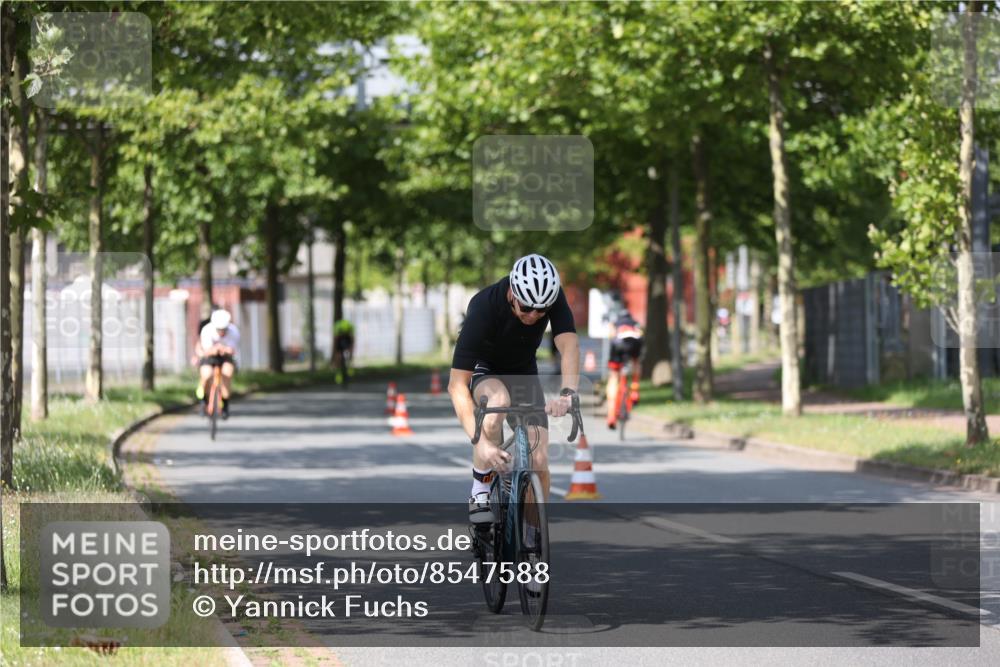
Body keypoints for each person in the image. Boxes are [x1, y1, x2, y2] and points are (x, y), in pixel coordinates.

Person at [448, 254, 580, 525]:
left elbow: (569, 346)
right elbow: (456, 385)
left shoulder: (552, 296)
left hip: (523, 372)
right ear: (512, 293)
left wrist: (568, 394)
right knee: (497, 402)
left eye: (541, 311)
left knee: (539, 461)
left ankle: (531, 537)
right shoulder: (484, 307)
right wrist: (481, 444)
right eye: (526, 307)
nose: (533, 316)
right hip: (486, 369)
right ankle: (481, 490)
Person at [197, 309, 240, 418]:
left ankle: (225, 403)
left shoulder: (234, 332)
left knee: (227, 373)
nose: (221, 332)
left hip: (226, 357)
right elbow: (206, 350)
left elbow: (233, 350)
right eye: (219, 329)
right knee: (207, 375)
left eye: (224, 329)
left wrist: (225, 350)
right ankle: (204, 400)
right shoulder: (207, 330)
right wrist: (216, 349)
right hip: (210, 356)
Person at [606, 309, 644, 429]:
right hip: (635, 344)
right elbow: (641, 334)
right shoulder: (635, 323)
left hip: (618, 344)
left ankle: (611, 416)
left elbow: (611, 335)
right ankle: (635, 389)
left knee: (614, 376)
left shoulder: (615, 323)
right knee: (636, 363)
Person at [332, 318, 355, 383]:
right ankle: (338, 372)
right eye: (342, 333)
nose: (343, 333)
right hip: (339, 340)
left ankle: (349, 365)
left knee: (349, 352)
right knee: (338, 355)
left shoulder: (350, 328)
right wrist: (335, 353)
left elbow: (352, 341)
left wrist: (351, 352)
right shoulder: (337, 328)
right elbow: (335, 342)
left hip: (347, 338)